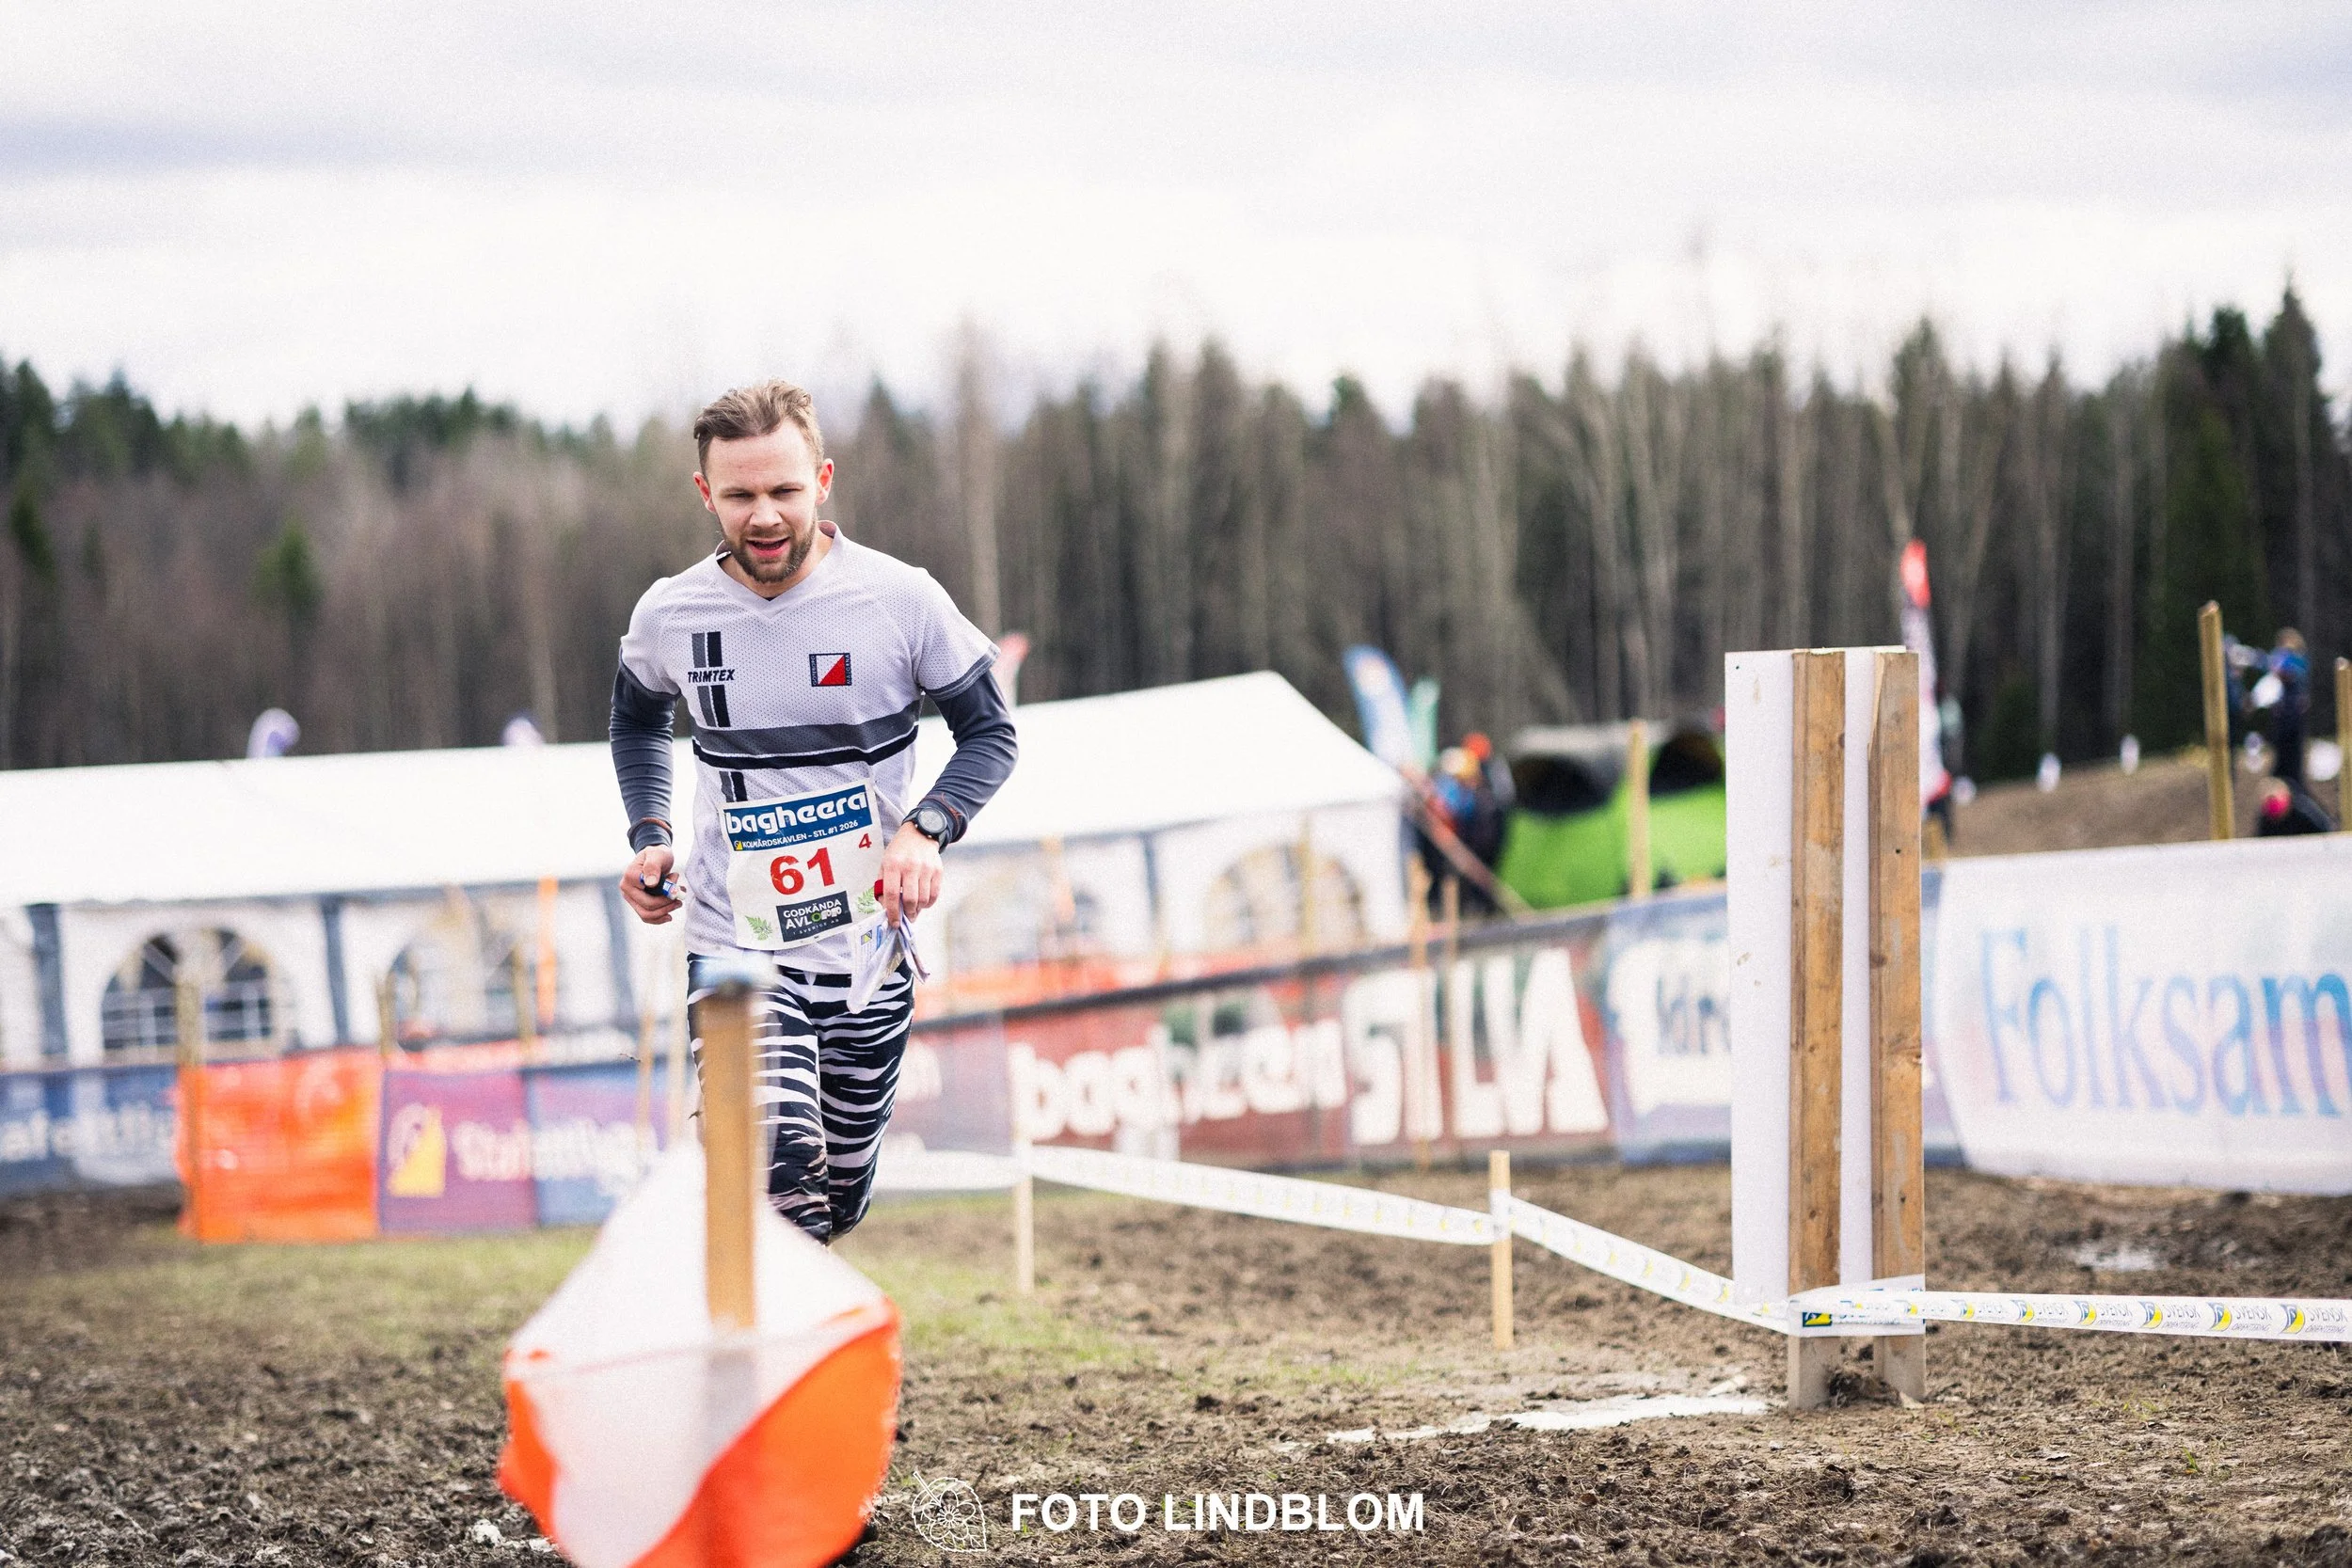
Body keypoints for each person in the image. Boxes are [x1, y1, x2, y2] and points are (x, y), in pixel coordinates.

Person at [609, 379, 1017, 1244]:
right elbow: (639, 716)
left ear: (822, 480)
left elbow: (992, 732)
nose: (764, 516)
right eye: (741, 495)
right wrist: (650, 832)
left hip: (867, 951)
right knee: (778, 1171)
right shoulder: (671, 612)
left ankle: (773, 1295)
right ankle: (757, 1363)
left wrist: (928, 825)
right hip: (733, 940)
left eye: (784, 491)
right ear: (704, 494)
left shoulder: (900, 600)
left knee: (835, 1198)